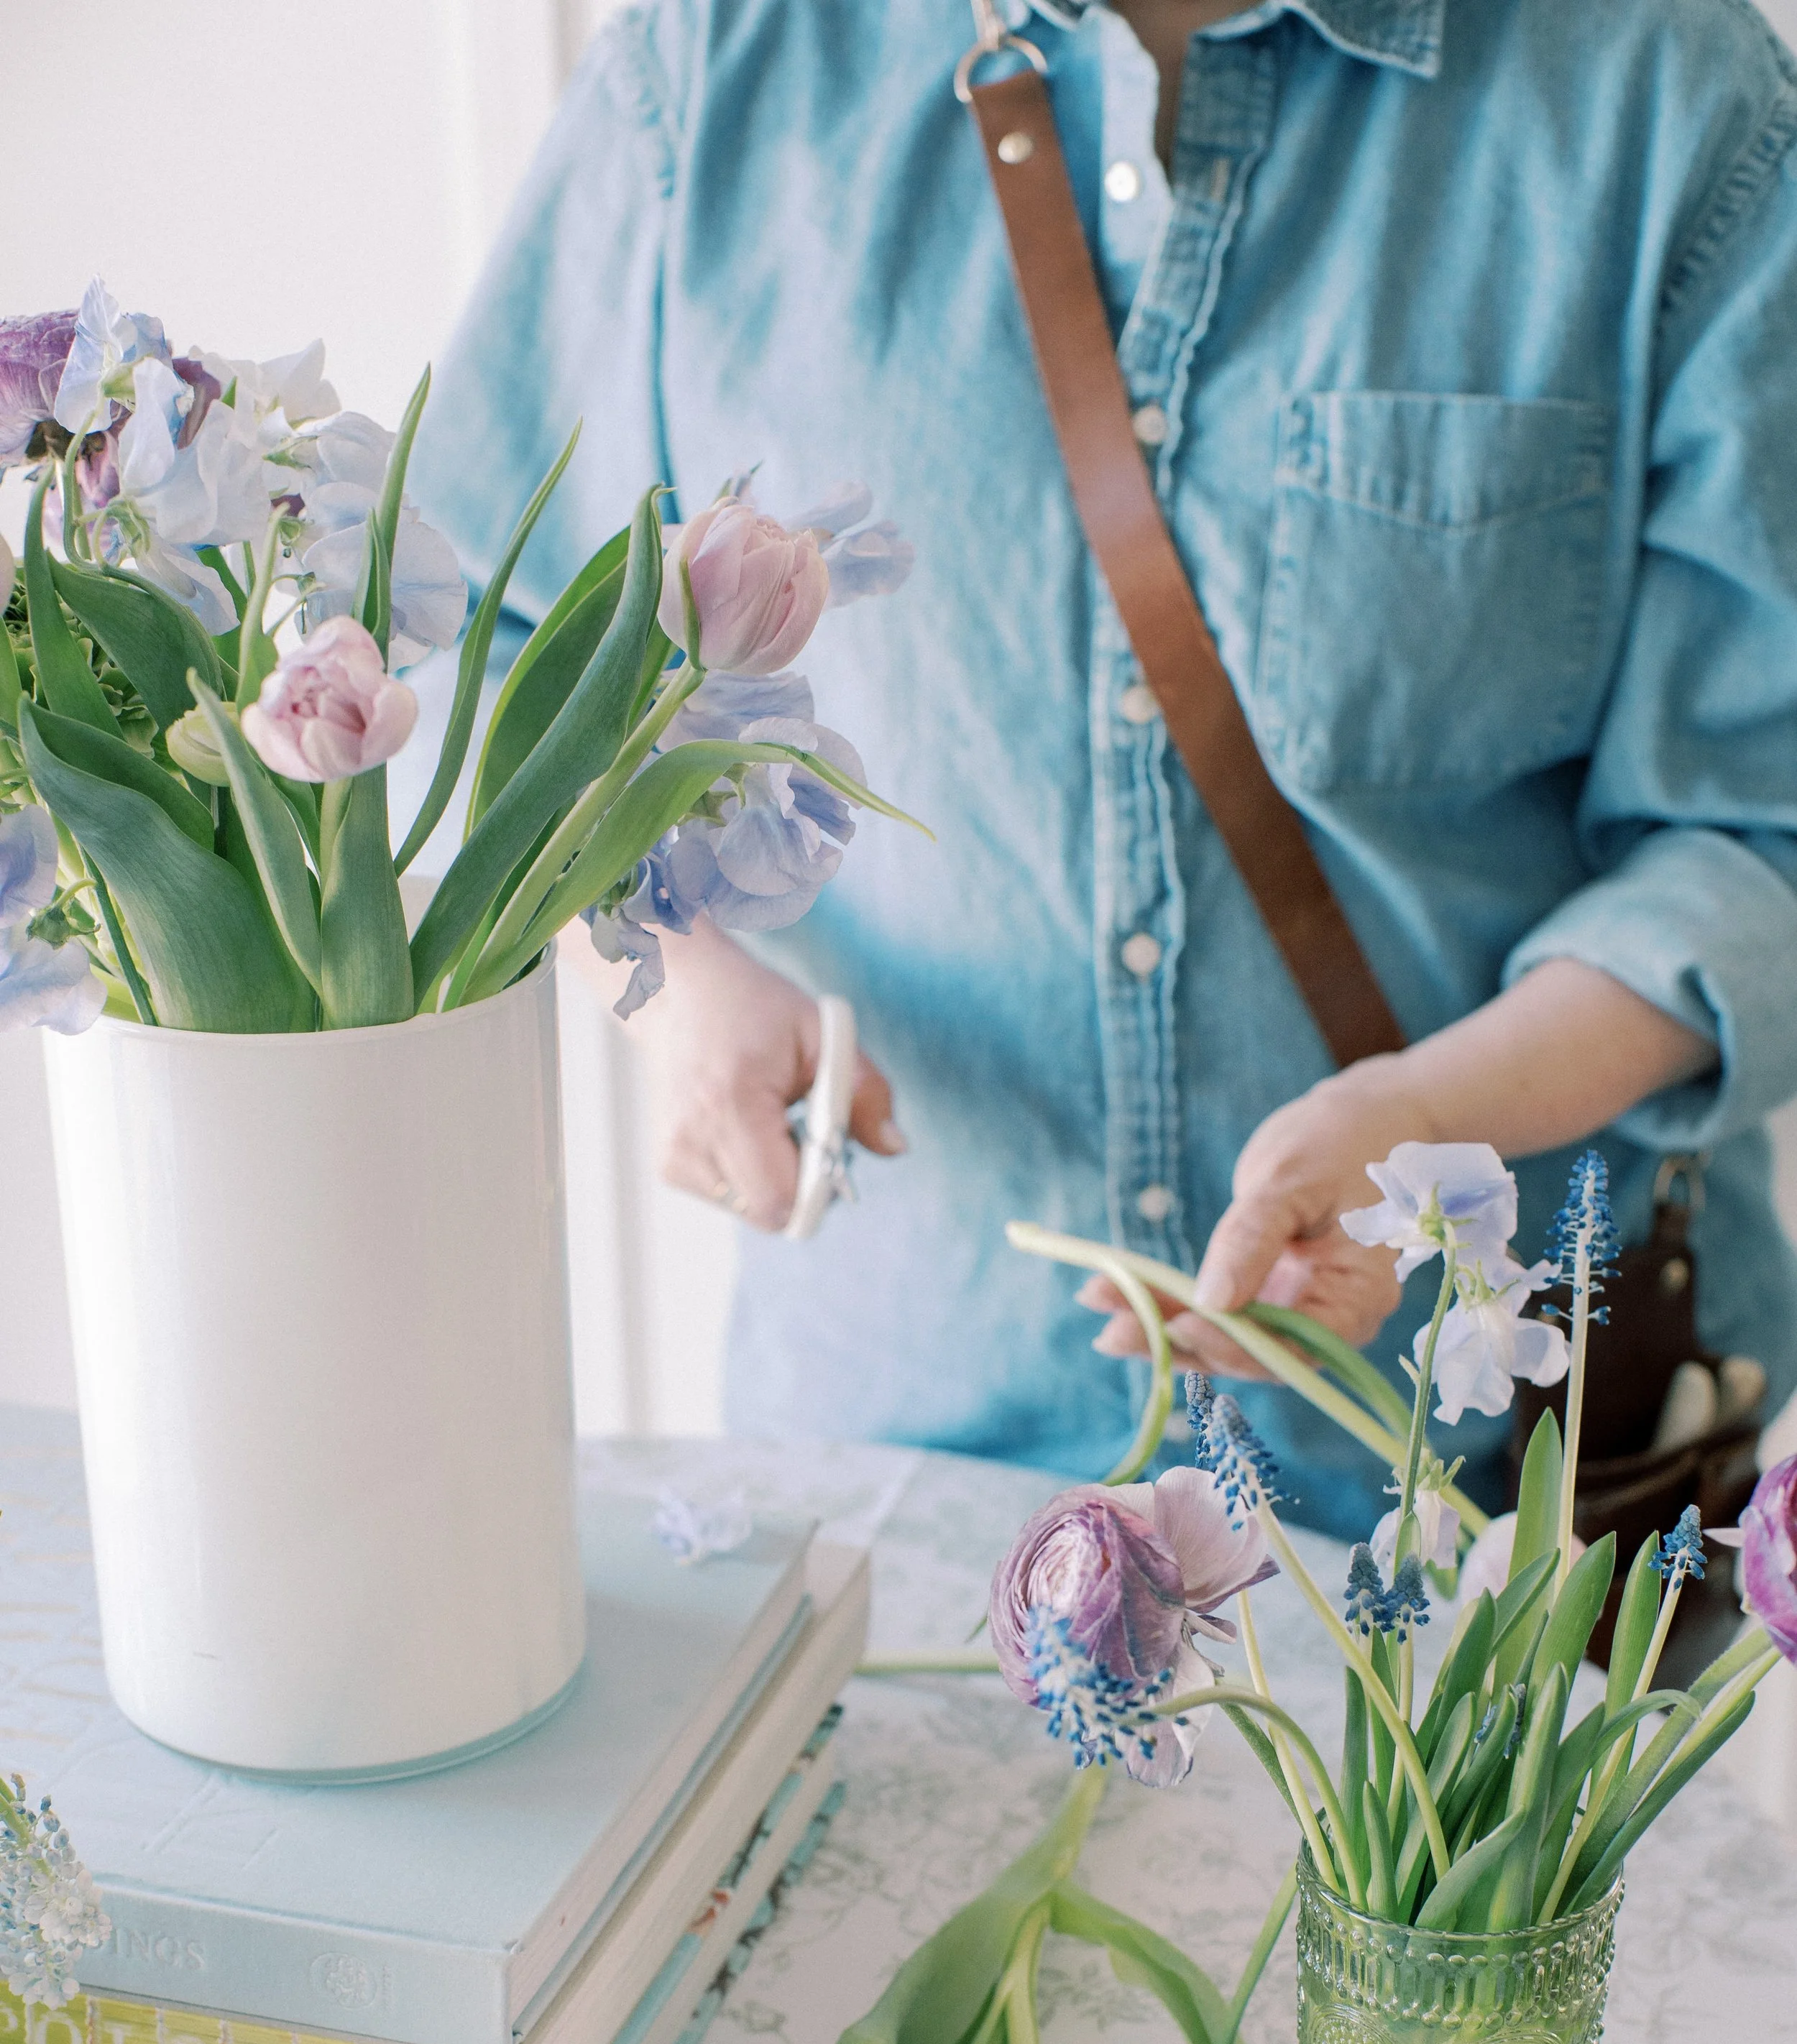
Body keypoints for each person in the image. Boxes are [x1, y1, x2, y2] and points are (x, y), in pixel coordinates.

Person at [410, 0, 1797, 1535]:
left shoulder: (1663, 99)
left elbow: (1755, 834)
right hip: (894, 1474)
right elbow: (470, 643)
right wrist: (660, 972)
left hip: (1484, 1515)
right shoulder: (716, 63)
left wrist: (1419, 1116)